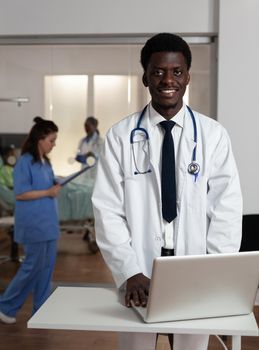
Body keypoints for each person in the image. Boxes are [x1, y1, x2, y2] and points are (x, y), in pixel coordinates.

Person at [92, 33, 243, 350]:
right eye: (158, 71)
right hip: (139, 270)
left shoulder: (213, 135)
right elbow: (107, 210)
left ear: (188, 76)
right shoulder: (121, 136)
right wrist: (129, 271)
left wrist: (211, 272)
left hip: (194, 270)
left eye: (176, 71)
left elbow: (226, 210)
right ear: (145, 77)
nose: (167, 80)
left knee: (191, 346)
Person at [0, 117, 61, 324]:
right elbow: (21, 193)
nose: (54, 144)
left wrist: (54, 186)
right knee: (32, 268)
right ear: (40, 139)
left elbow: (47, 189)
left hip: (49, 224)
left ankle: (41, 312)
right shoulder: (25, 162)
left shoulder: (46, 163)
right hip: (34, 224)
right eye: (52, 140)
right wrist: (48, 191)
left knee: (46, 270)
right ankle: (6, 306)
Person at [75, 116, 103, 180]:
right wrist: (83, 157)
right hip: (83, 173)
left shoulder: (100, 142)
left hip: (95, 173)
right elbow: (78, 156)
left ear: (94, 126)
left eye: (88, 126)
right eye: (85, 126)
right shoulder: (82, 141)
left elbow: (102, 158)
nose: (86, 128)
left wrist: (93, 156)